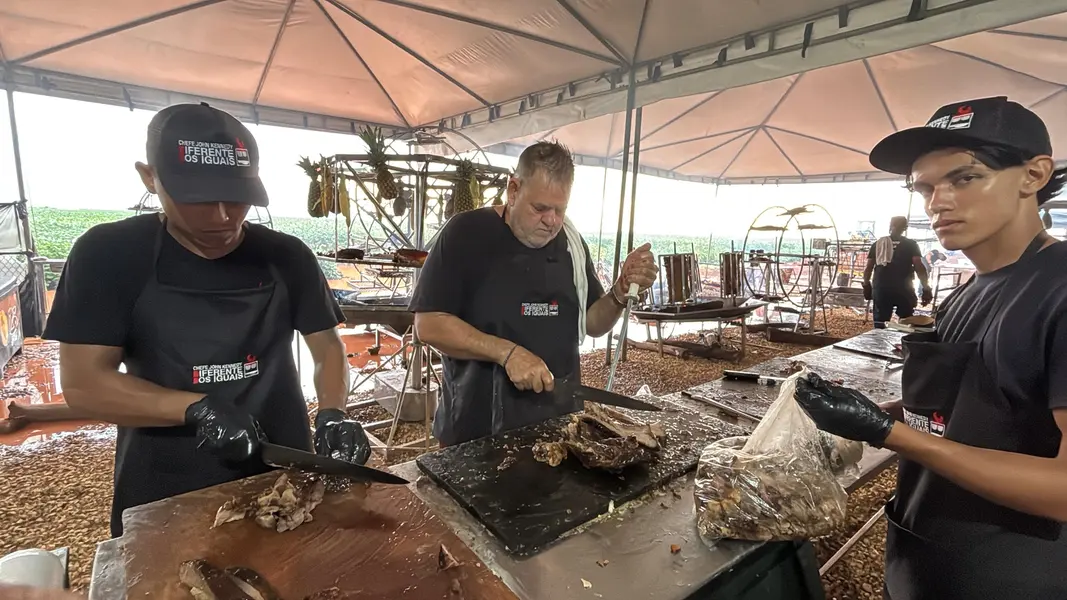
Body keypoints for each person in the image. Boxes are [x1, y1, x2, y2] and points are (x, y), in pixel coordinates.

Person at [43, 103, 370, 537]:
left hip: (282, 469)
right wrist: (196, 408)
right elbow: (85, 384)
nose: (222, 217)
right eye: (196, 198)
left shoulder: (287, 256)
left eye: (238, 197)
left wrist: (333, 411)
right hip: (166, 477)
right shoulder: (108, 256)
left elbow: (327, 347)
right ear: (149, 176)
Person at [793, 96, 1067, 599]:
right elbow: (960, 404)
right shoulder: (969, 291)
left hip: (1011, 574)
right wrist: (865, 414)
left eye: (964, 178)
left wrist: (888, 433)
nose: (937, 202)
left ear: (1034, 175)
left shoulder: (1059, 290)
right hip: (928, 553)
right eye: (925, 187)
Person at [410, 141, 658, 446]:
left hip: (559, 426)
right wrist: (508, 353)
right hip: (476, 430)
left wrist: (619, 292)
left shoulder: (571, 244)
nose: (552, 221)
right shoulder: (465, 234)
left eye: (560, 209)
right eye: (540, 208)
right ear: (513, 190)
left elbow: (593, 323)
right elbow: (429, 324)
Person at [862, 216, 931, 327]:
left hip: (882, 288)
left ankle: (879, 343)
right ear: (905, 228)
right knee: (906, 323)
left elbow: (869, 267)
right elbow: (919, 266)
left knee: (880, 324)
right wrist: (926, 288)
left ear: (890, 226)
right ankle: (901, 342)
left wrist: (866, 284)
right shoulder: (911, 244)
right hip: (904, 288)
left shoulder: (878, 244)